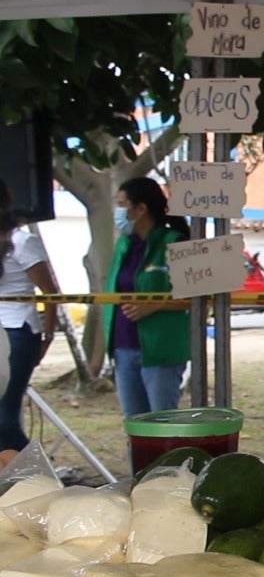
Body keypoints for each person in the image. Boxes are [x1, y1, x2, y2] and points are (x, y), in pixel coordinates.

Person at [104, 177, 192, 417]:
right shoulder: (124, 245)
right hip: (123, 346)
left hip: (161, 348)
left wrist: (155, 305)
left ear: (141, 208)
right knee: (135, 427)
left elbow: (197, 298)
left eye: (122, 204)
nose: (117, 212)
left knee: (162, 424)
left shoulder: (174, 242)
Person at [0, 179, 60, 452]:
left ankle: (40, 478)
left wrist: (48, 335)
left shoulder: (22, 242)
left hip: (17, 331)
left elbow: (50, 293)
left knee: (4, 418)